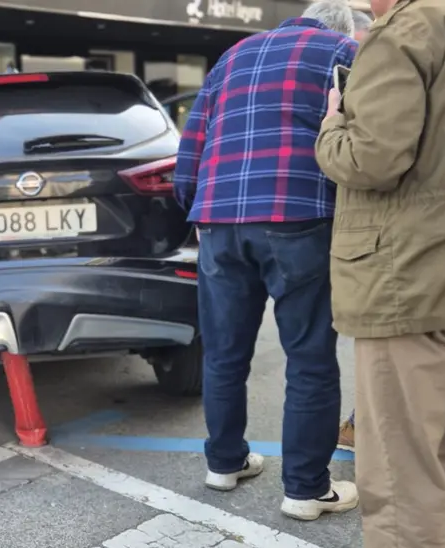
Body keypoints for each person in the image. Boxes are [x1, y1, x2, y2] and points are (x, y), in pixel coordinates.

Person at [315, 0, 445, 548]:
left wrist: (332, 124)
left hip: (411, 276)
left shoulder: (409, 27)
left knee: (402, 480)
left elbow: (370, 158)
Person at [174, 0, 359, 521]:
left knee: (224, 352)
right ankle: (305, 490)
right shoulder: (344, 52)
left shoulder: (231, 55)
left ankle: (224, 464)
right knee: (310, 357)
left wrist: (197, 208)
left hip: (218, 219)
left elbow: (193, 146)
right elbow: (359, 137)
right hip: (299, 214)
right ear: (342, 26)